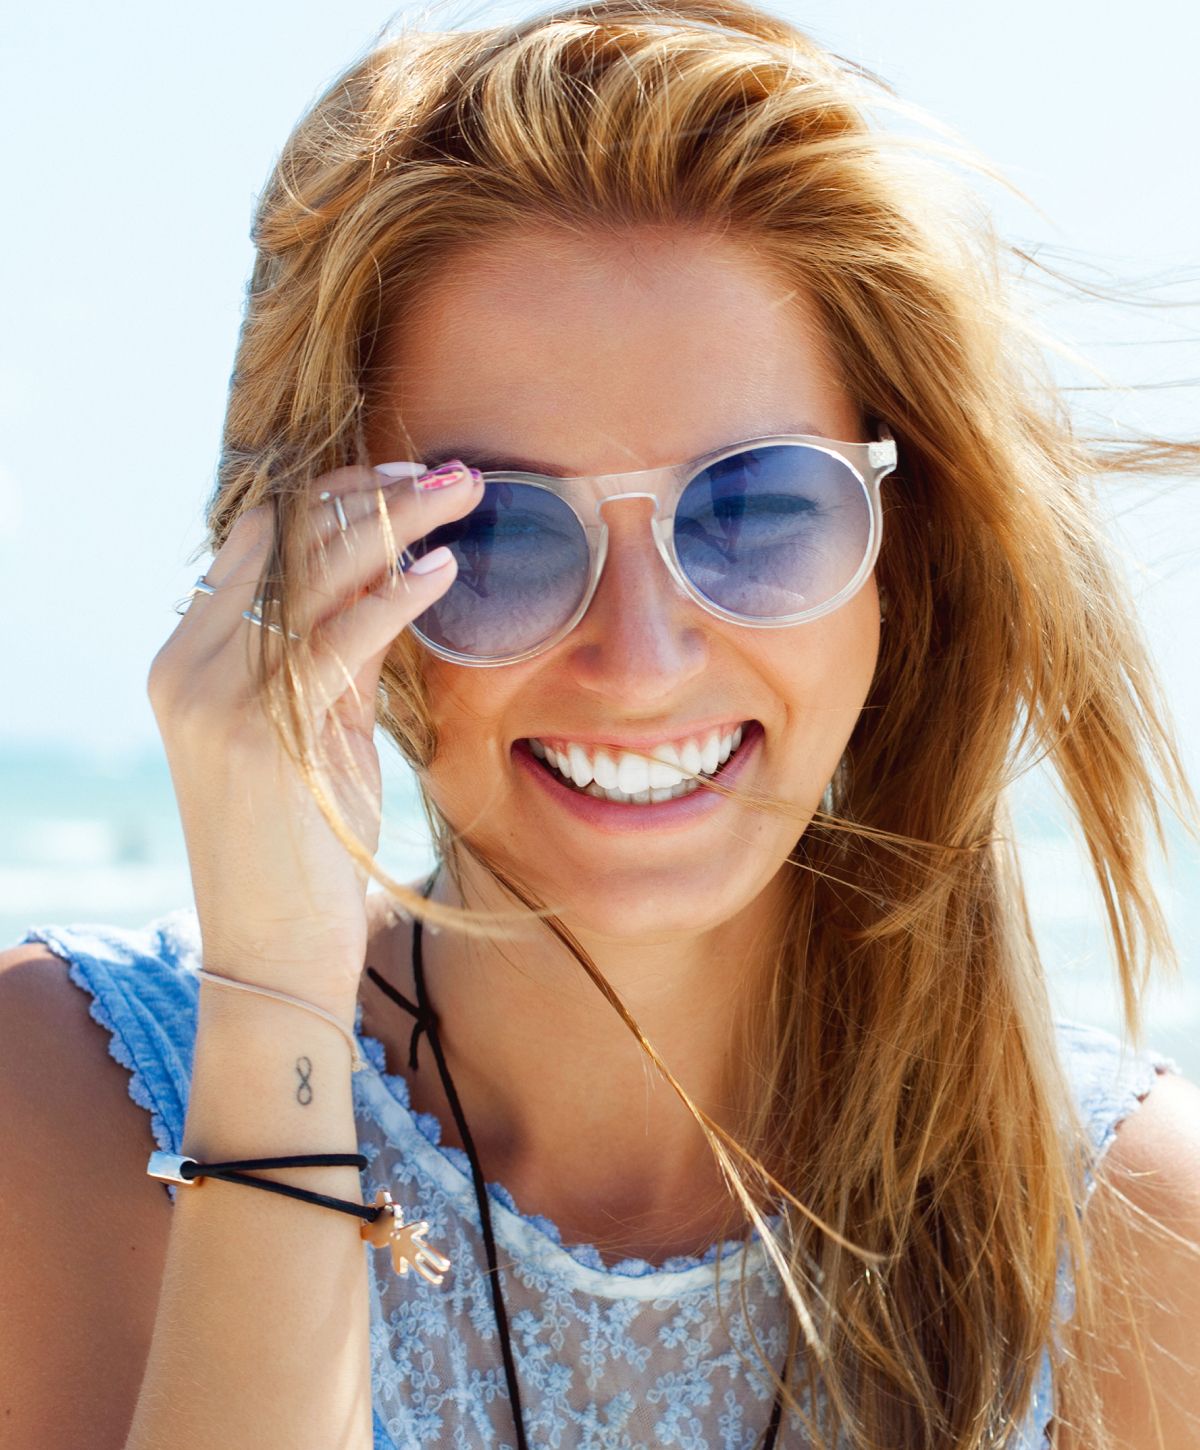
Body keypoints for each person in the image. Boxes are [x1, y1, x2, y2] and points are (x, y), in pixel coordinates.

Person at [3, 0, 1199, 1445]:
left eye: (756, 508)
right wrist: (275, 1016)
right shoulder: (56, 1105)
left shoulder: (1141, 1234)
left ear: (906, 552)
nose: (638, 660)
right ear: (309, 579)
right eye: (495, 533)